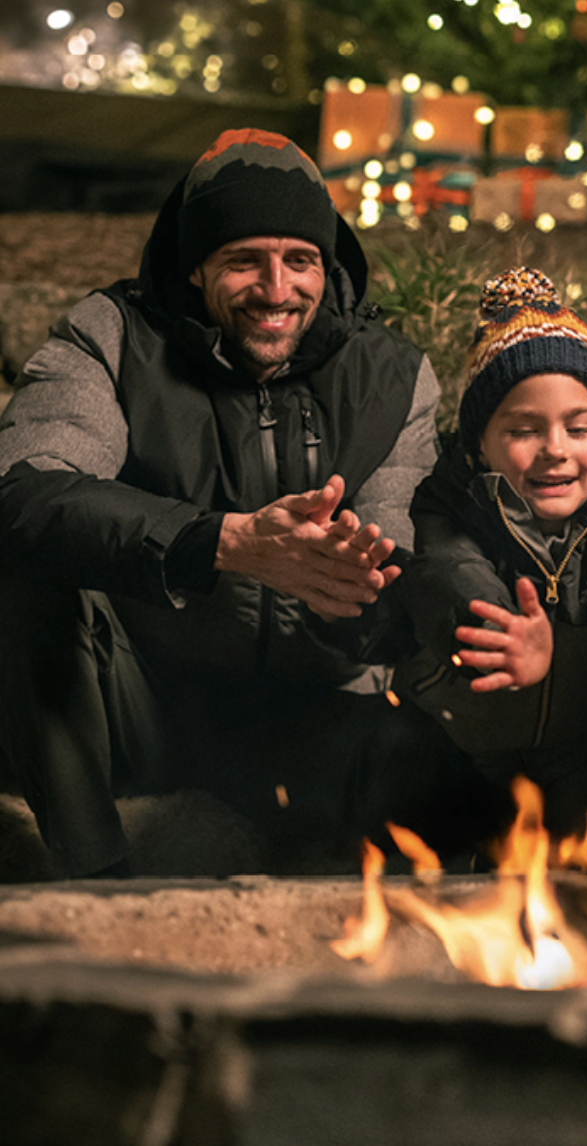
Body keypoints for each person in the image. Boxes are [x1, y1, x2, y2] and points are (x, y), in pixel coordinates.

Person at [0, 128, 452, 878]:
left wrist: (353, 585)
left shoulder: (392, 375)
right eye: (244, 261)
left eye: (300, 261)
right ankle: (97, 881)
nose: (277, 291)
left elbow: (400, 564)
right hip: (141, 708)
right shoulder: (112, 338)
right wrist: (222, 543)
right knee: (22, 569)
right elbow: (23, 494)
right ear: (195, 266)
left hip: (313, 713)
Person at [393, 266, 587, 851]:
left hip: (585, 748)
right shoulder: (449, 499)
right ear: (479, 441)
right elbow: (447, 574)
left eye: (579, 429)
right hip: (465, 741)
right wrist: (496, 627)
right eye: (524, 430)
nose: (555, 450)